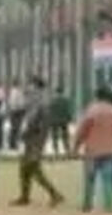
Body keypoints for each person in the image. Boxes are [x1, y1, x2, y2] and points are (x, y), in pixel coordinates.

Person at [10, 76, 65, 207]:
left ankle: (54, 194)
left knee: (33, 169)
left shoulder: (40, 102)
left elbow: (36, 123)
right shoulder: (36, 100)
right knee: (25, 168)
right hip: (31, 139)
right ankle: (25, 196)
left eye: (30, 85)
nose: (28, 87)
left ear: (36, 86)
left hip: (35, 140)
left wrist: (27, 135)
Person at [72, 86, 112, 213]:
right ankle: (109, 206)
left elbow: (82, 130)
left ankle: (88, 205)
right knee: (108, 180)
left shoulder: (92, 110)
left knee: (89, 179)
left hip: (92, 151)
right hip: (109, 150)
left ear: (97, 96)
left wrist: (76, 146)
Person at [47, 84, 73, 156]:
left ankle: (56, 149)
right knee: (65, 135)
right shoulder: (65, 100)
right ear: (62, 91)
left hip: (54, 120)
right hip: (63, 120)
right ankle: (67, 148)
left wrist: (49, 119)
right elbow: (67, 110)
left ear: (56, 92)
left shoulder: (52, 100)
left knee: (54, 135)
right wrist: (70, 118)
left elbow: (50, 110)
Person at [6, 79, 26, 150]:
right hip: (17, 112)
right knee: (16, 128)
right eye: (19, 83)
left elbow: (12, 103)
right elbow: (17, 102)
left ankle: (13, 143)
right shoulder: (16, 92)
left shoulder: (14, 91)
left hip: (15, 111)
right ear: (17, 84)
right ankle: (13, 144)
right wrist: (21, 108)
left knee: (15, 128)